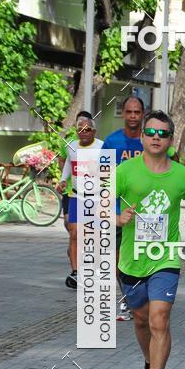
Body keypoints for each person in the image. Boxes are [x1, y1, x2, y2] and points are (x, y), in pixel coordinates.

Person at [116, 111, 185, 369]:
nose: (156, 137)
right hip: (131, 260)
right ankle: (149, 360)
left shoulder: (182, 175)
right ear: (142, 136)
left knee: (159, 319)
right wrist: (117, 217)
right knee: (141, 320)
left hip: (165, 258)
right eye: (150, 132)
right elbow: (96, 205)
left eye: (163, 133)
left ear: (171, 140)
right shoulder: (124, 172)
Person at [102, 95, 146, 321]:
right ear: (123, 114)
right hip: (119, 214)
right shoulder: (111, 142)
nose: (132, 116)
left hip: (147, 215)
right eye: (129, 112)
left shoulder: (151, 140)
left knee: (144, 260)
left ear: (143, 114)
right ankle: (130, 300)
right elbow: (102, 179)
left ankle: (140, 299)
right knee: (119, 263)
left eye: (137, 112)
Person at [57, 113, 103, 289]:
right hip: (77, 196)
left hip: (97, 198)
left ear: (94, 131)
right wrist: (62, 180)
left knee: (96, 236)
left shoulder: (102, 147)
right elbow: (69, 163)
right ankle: (76, 272)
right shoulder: (71, 146)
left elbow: (110, 171)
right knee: (75, 233)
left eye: (87, 129)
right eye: (80, 130)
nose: (83, 132)